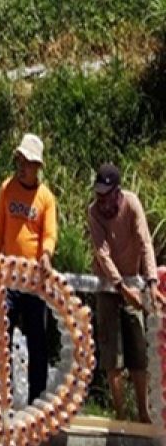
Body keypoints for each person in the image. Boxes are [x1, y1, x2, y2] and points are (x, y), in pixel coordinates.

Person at [0, 133, 57, 403]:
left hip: (33, 281)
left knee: (36, 342)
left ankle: (36, 400)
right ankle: (3, 398)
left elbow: (49, 234)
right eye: (20, 160)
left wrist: (46, 256)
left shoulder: (46, 198)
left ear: (37, 166)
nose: (22, 166)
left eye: (28, 162)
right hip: (8, 278)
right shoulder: (6, 188)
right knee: (2, 339)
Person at [88, 163, 157, 423]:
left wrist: (150, 281)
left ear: (118, 192)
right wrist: (119, 286)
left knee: (138, 349)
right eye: (99, 195)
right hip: (109, 286)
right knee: (112, 354)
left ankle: (143, 412)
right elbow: (101, 253)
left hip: (133, 282)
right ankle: (120, 415)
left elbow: (144, 241)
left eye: (107, 195)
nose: (102, 201)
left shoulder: (132, 204)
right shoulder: (93, 212)